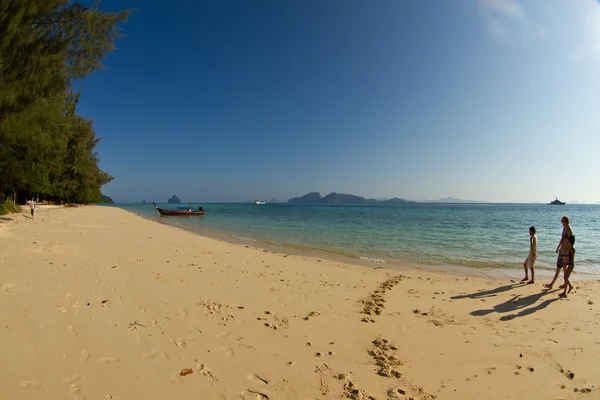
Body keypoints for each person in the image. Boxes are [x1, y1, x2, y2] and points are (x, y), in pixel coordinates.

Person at [545, 215, 573, 289]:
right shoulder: (564, 228)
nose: (562, 224)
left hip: (565, 252)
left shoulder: (569, 231)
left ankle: (552, 284)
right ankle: (568, 285)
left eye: (563, 223)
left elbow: (570, 243)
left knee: (559, 269)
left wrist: (569, 254)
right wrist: (558, 247)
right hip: (562, 251)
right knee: (563, 270)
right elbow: (562, 239)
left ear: (565, 222)